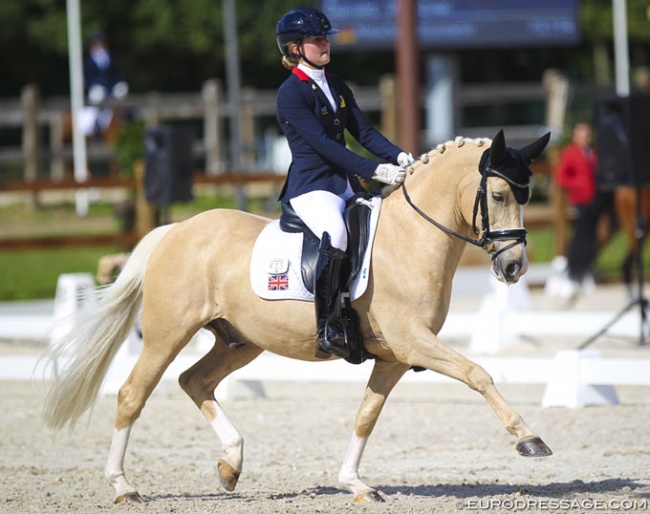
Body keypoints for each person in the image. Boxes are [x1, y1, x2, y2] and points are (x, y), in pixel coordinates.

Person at [275, 6, 413, 358]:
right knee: (335, 234)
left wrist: (398, 156)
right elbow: (321, 146)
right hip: (312, 187)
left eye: (325, 38)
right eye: (316, 39)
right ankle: (327, 325)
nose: (325, 44)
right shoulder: (290, 94)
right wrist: (373, 171)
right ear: (295, 48)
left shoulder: (335, 83)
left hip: (344, 182)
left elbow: (363, 131)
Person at [554, 122, 614, 297]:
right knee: (581, 234)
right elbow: (561, 176)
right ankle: (575, 268)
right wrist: (577, 184)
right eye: (582, 135)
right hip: (581, 199)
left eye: (587, 134)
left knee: (593, 234)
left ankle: (587, 265)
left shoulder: (592, 153)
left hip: (596, 198)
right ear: (575, 136)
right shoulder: (571, 153)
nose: (586, 138)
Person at [80, 30, 129, 139]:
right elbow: (88, 78)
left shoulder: (111, 59)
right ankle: (96, 128)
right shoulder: (89, 61)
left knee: (122, 92)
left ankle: (126, 123)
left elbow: (117, 75)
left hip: (111, 89)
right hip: (97, 88)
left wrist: (118, 85)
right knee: (98, 96)